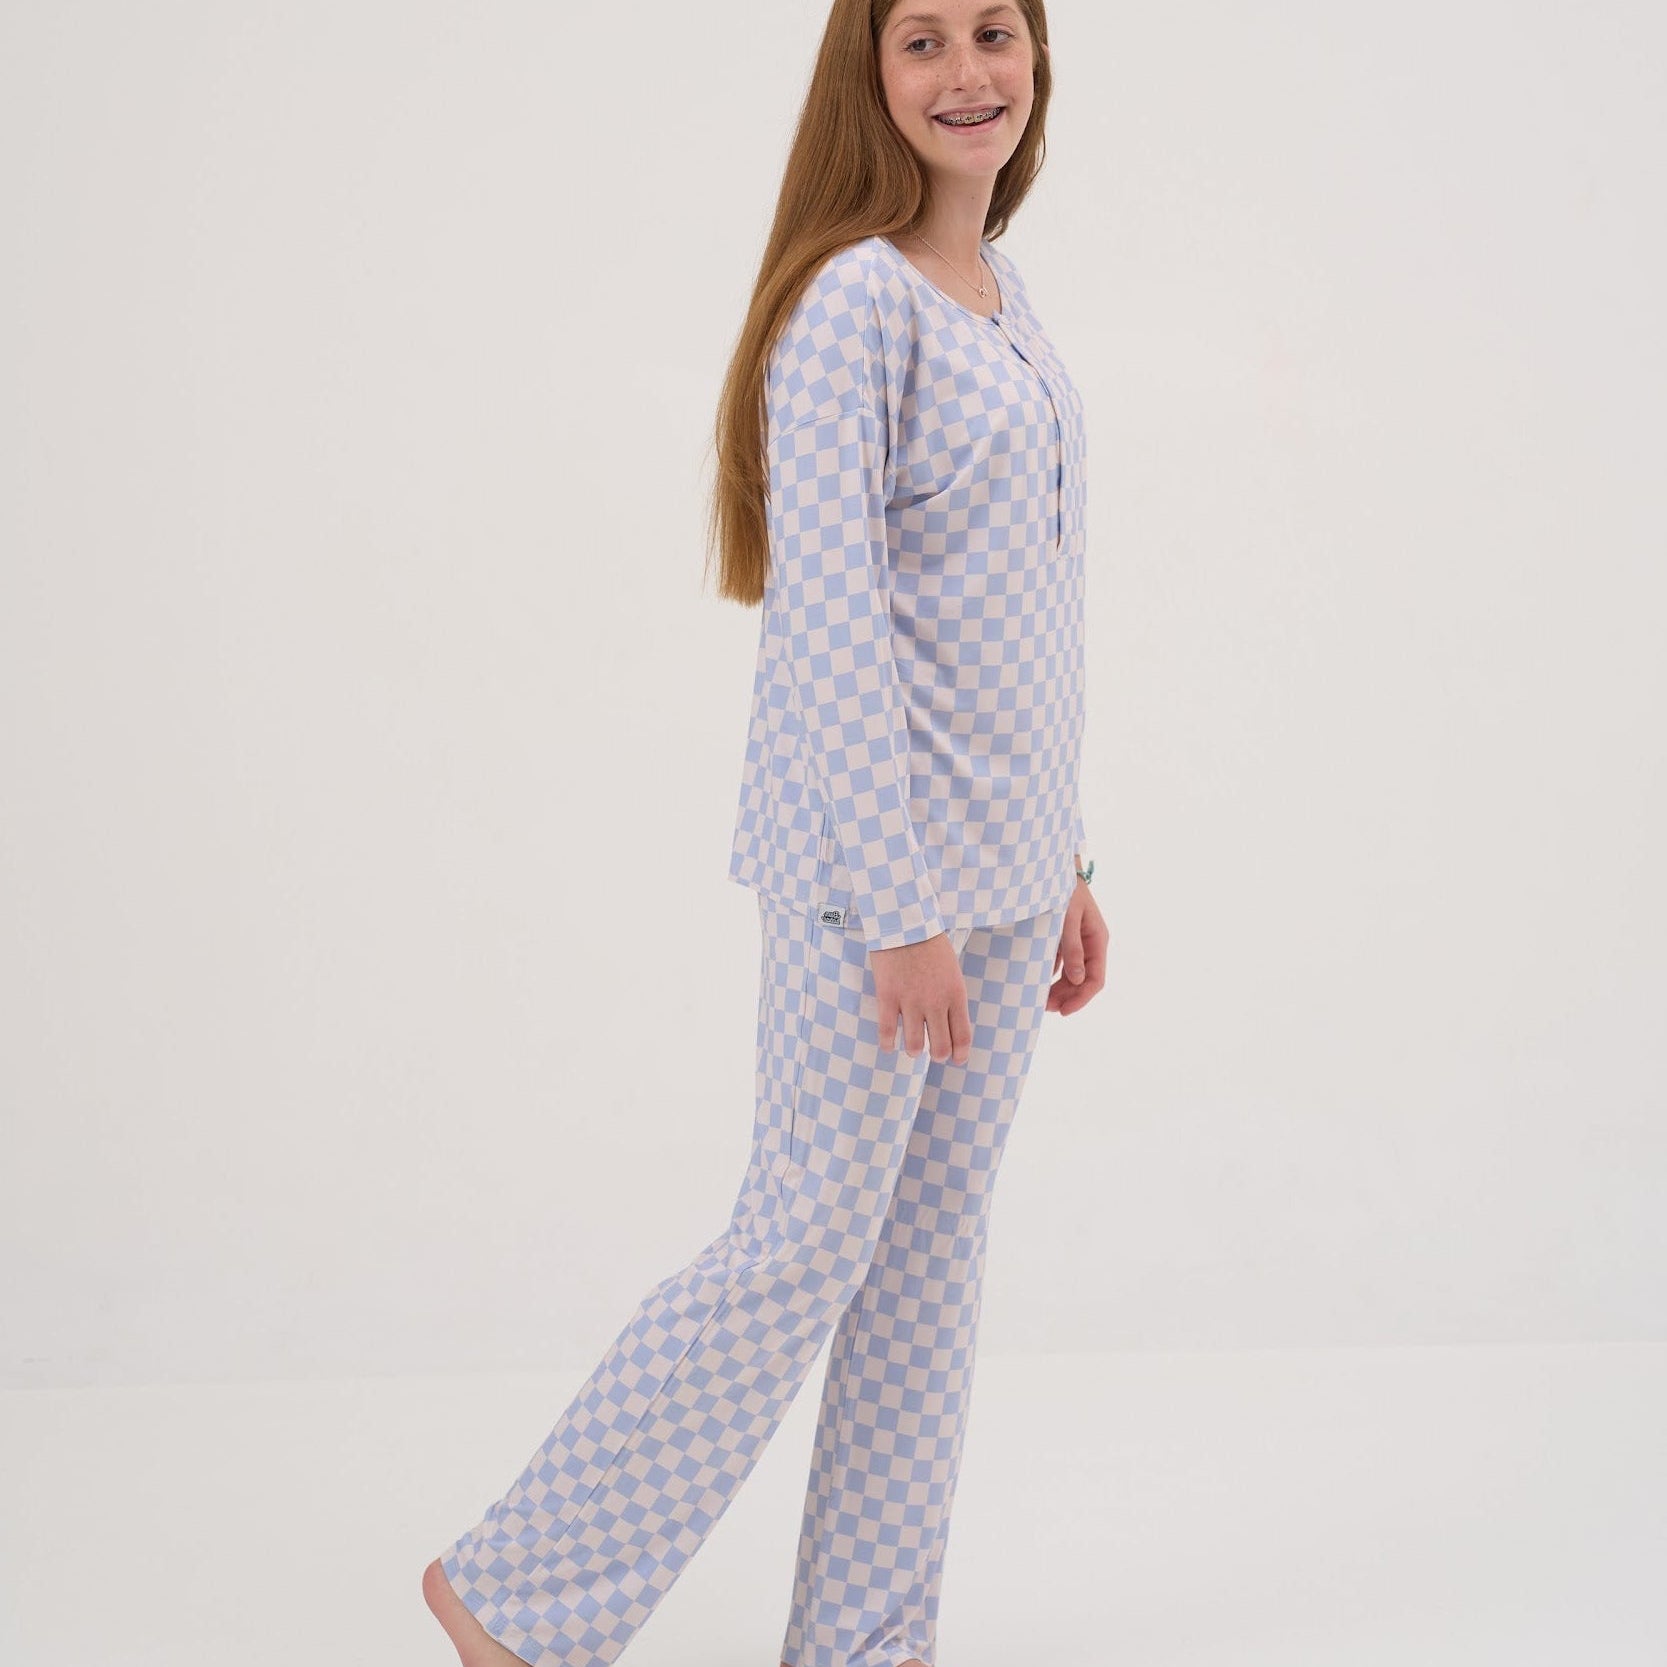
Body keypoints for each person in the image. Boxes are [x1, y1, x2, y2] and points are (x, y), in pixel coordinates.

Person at [422, 2, 1107, 1663]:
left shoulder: (1005, 296)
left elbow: (1022, 611)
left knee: (926, 1273)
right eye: (923, 42)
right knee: (800, 1244)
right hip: (877, 888)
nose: (968, 73)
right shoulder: (851, 303)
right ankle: (515, 1592)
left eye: (995, 33)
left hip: (1009, 878)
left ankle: (866, 1644)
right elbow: (833, 633)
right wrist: (898, 909)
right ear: (868, 78)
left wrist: (1070, 859)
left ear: (1038, 58)